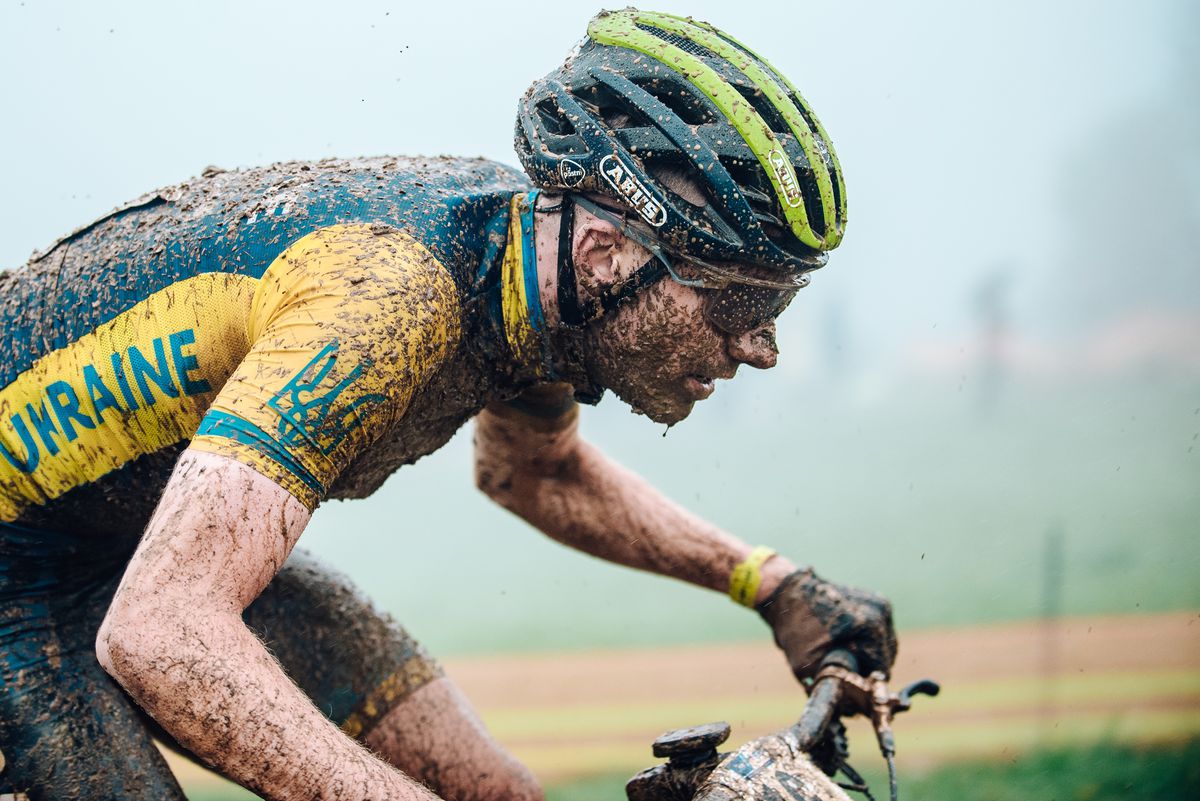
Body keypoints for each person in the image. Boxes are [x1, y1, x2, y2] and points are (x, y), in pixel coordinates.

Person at [0, 8, 895, 800]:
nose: (760, 348)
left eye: (777, 308)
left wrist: (771, 585)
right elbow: (163, 633)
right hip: (27, 574)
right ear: (603, 252)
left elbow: (534, 472)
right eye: (740, 303)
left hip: (121, 544)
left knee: (495, 792)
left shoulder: (544, 291)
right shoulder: (392, 297)